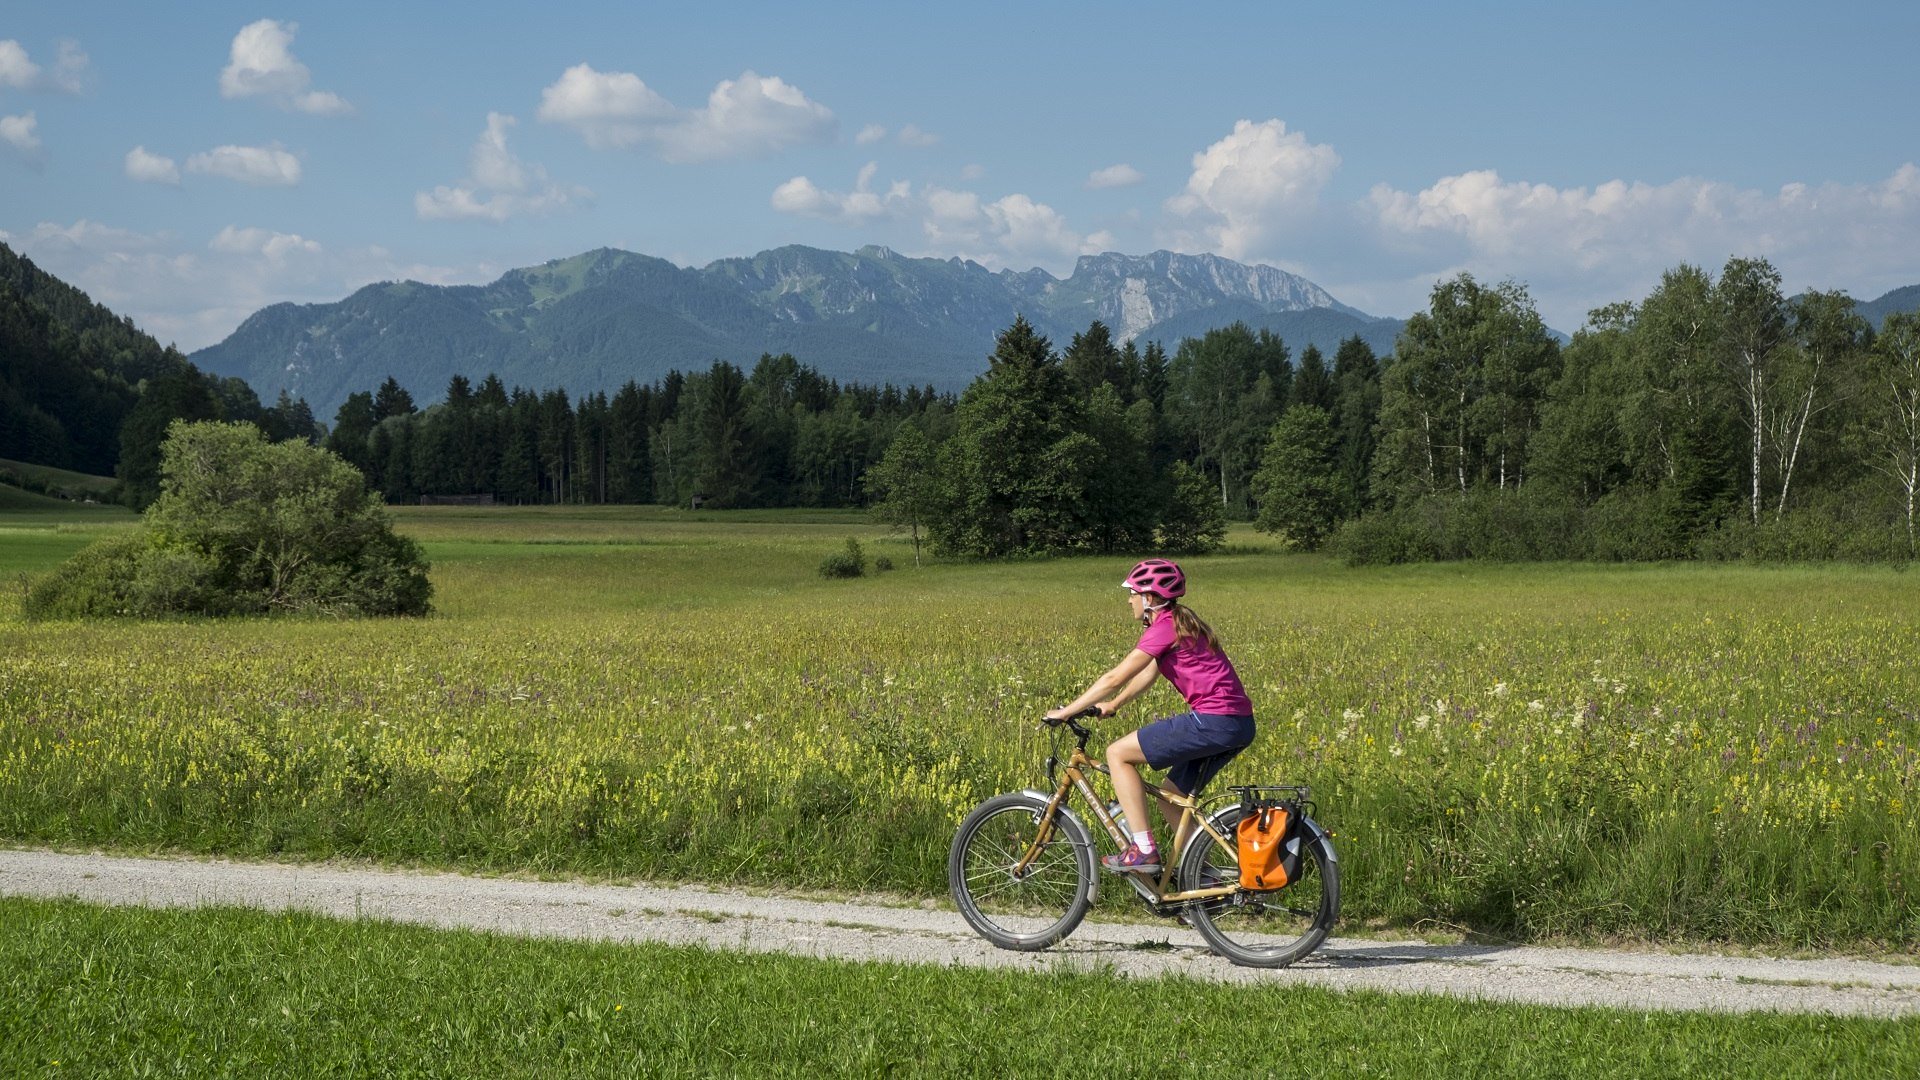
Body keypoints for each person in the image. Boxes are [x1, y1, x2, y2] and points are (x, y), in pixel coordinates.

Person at [1045, 559, 1256, 874]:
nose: (1129, 600)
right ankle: (1205, 880)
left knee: (1117, 753)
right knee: (1171, 796)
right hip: (1236, 723)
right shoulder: (1181, 623)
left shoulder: (1165, 627)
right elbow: (1149, 673)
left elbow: (1114, 677)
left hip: (1214, 720)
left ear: (1149, 598)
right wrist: (1115, 704)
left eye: (1132, 593)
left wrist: (1067, 711)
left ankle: (1143, 850)